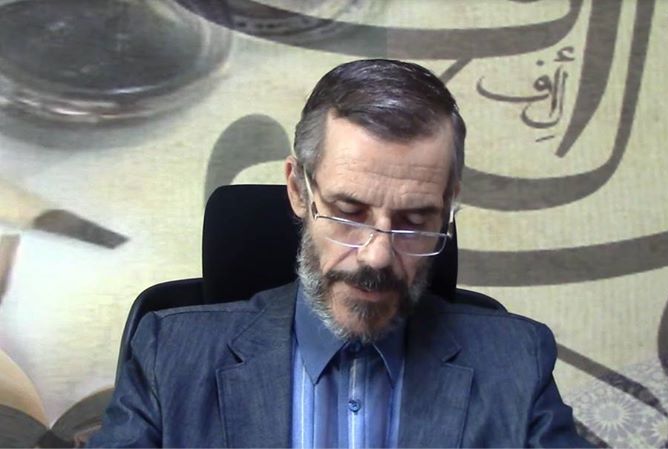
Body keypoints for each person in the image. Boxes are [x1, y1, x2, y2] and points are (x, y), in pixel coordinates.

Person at [88, 59, 591, 448]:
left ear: (447, 209)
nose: (377, 257)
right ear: (298, 190)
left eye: (415, 221)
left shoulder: (516, 361)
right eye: (349, 212)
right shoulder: (169, 354)